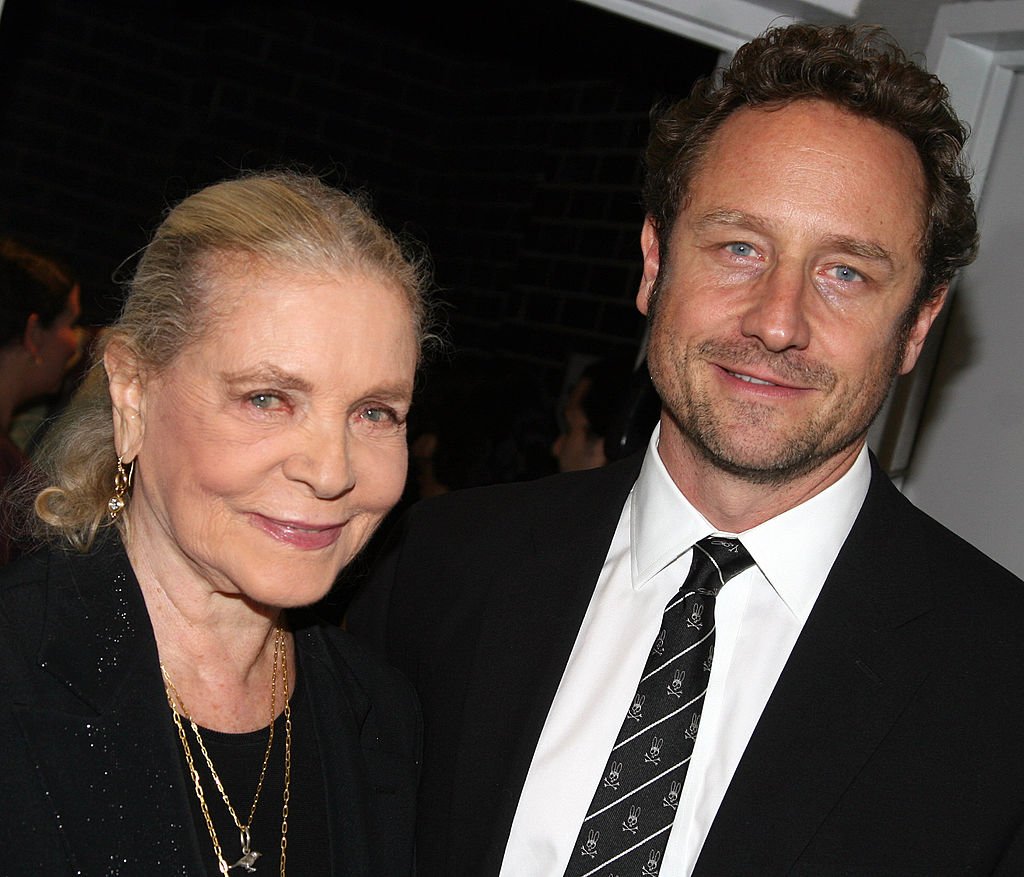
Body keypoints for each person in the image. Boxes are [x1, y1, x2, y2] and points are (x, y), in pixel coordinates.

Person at [347, 23, 1024, 876]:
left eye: (845, 272)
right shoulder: (438, 568)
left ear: (917, 324)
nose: (777, 321)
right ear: (654, 261)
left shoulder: (1002, 687)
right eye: (739, 247)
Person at [0, 172, 428, 874]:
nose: (331, 471)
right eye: (267, 398)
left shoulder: (381, 716)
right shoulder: (17, 672)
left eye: (375, 412)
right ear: (132, 393)